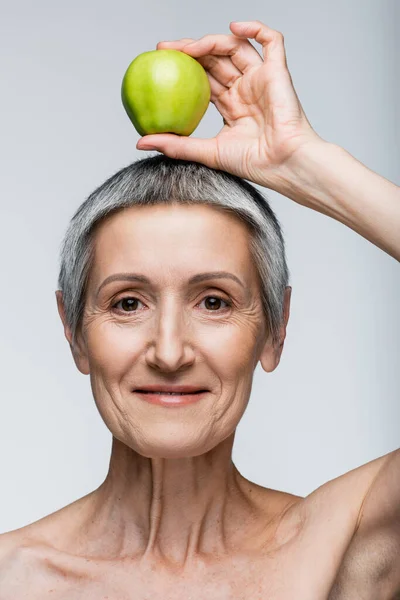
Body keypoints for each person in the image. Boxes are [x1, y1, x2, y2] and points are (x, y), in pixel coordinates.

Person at [0, 19, 399, 599]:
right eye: (127, 302)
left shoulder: (344, 544)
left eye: (214, 302)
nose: (168, 351)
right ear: (73, 332)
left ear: (275, 330)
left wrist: (304, 163)